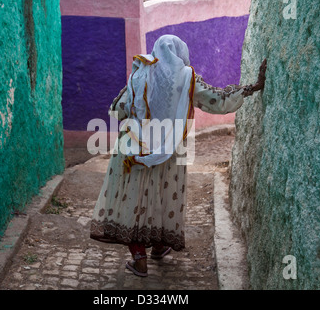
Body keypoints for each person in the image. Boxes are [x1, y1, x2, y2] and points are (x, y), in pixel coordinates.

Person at [90, 34, 267, 277]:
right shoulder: (186, 77)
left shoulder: (140, 71)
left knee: (133, 200)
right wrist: (251, 88)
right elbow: (217, 100)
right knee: (162, 196)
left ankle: (140, 258)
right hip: (169, 151)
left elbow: (118, 109)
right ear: (179, 53)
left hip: (132, 150)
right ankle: (160, 245)